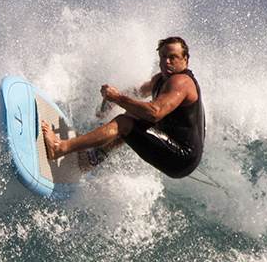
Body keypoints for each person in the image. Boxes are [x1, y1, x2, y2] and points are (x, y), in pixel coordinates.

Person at [41, 36, 205, 179]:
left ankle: (60, 148)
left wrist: (117, 98)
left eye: (173, 57)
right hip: (179, 152)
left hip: (181, 157)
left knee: (124, 123)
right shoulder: (160, 79)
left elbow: (155, 113)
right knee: (133, 116)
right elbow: (137, 92)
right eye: (163, 56)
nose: (166, 62)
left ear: (185, 60)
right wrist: (110, 101)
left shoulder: (181, 82)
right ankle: (90, 159)